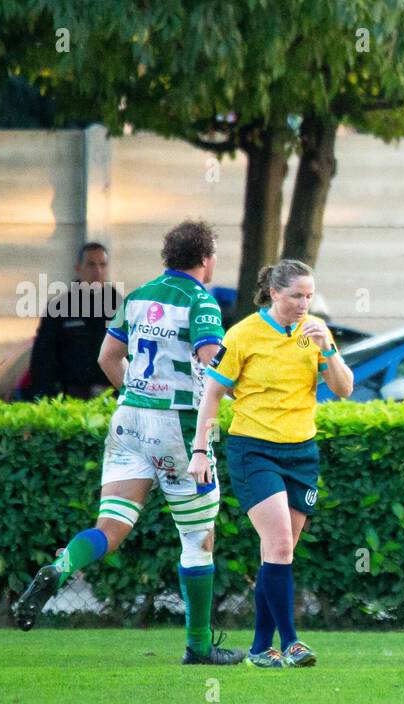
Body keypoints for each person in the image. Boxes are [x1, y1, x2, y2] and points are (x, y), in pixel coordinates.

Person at [15, 220, 246, 666]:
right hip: (178, 427)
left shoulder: (138, 297)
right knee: (198, 539)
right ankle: (198, 646)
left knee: (111, 528)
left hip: (128, 419)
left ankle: (61, 567)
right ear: (205, 259)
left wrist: (137, 394)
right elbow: (208, 359)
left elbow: (107, 357)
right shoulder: (201, 302)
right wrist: (250, 391)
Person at [190, 259, 354, 669]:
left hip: (301, 452)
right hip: (254, 450)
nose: (304, 304)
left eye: (310, 296)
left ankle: (262, 647)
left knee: (278, 553)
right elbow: (212, 394)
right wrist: (199, 450)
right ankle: (293, 642)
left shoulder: (314, 334)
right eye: (297, 295)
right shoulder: (243, 334)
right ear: (275, 293)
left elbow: (344, 388)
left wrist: (328, 350)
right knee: (279, 545)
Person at [26, 243, 120, 399]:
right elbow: (43, 357)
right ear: (78, 268)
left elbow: (132, 354)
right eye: (91, 264)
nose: (98, 271)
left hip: (111, 397)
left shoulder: (120, 307)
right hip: (72, 398)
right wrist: (45, 396)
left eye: (103, 265)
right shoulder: (59, 307)